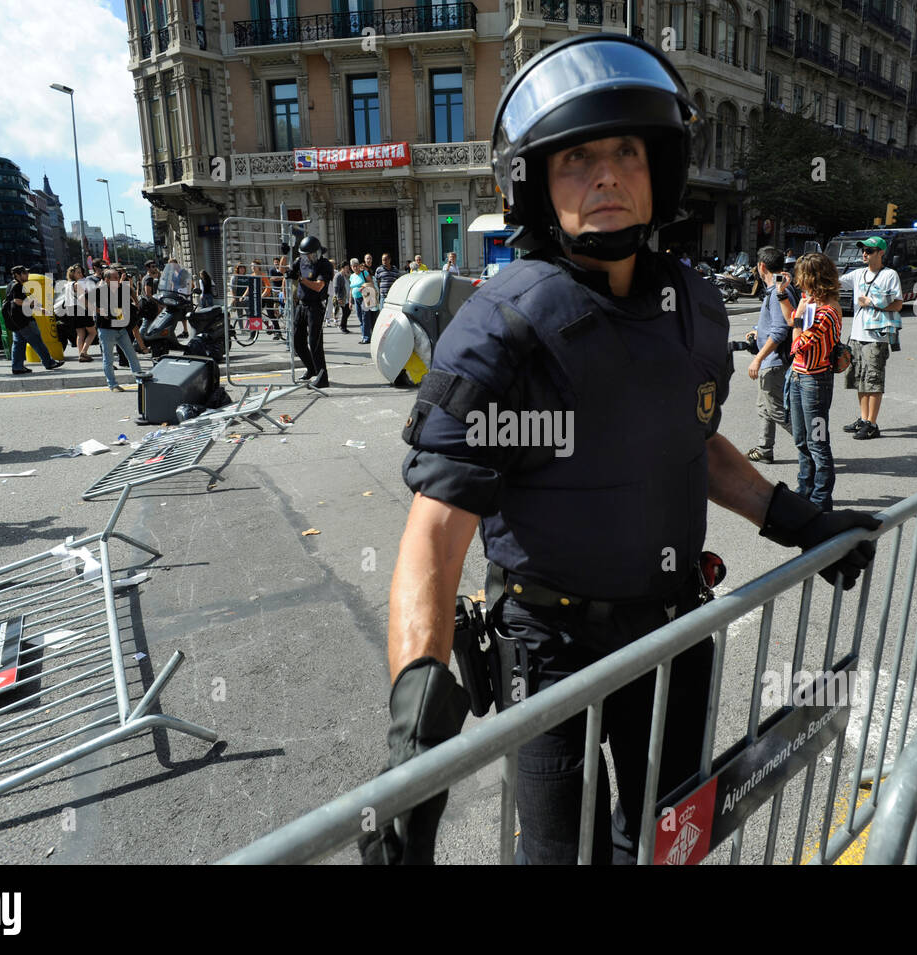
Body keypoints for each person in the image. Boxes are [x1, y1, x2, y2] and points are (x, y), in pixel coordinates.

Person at [361, 33, 881, 867]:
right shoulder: (500, 329)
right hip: (551, 655)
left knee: (667, 843)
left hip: (671, 634)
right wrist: (413, 742)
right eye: (576, 157)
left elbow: (698, 441)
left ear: (659, 169)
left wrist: (796, 519)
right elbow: (437, 529)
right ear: (536, 182)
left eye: (626, 150)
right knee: (561, 856)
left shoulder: (695, 306)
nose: (606, 173)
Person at [778, 251, 842, 510]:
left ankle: (820, 500)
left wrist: (799, 318)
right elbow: (791, 319)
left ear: (814, 278)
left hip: (815, 382)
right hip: (798, 377)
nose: (797, 281)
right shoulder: (810, 301)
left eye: (801, 276)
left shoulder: (827, 311)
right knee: (801, 440)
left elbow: (796, 344)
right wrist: (782, 295)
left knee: (818, 442)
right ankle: (804, 489)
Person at [838, 236, 901, 441]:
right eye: (863, 250)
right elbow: (835, 281)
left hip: (876, 337)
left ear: (881, 253)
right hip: (856, 335)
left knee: (873, 381)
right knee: (860, 380)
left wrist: (872, 302)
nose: (865, 253)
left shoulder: (890, 275)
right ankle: (864, 419)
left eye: (870, 250)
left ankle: (872, 424)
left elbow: (898, 305)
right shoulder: (858, 274)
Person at [745, 247, 797, 463]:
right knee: (764, 407)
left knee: (776, 410)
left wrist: (758, 358)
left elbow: (780, 330)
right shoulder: (777, 288)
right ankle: (764, 449)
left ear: (761, 266)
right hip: (773, 360)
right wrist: (759, 330)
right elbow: (777, 322)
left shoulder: (777, 291)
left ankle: (811, 446)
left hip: (774, 362)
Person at [288, 233, 334, 388]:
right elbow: (287, 271)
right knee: (296, 340)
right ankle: (311, 369)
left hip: (316, 306)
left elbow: (319, 286)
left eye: (309, 254)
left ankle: (322, 378)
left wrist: (300, 279)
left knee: (314, 342)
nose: (307, 257)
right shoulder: (300, 261)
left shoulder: (324, 264)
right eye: (305, 255)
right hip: (301, 305)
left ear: (317, 253)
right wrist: (285, 254)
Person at [5, 266, 65, 375]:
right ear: (17, 275)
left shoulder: (10, 285)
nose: (27, 275)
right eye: (24, 273)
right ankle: (49, 362)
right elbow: (18, 301)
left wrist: (38, 308)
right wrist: (33, 305)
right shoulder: (18, 286)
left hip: (15, 321)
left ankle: (17, 367)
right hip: (23, 320)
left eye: (27, 273)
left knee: (18, 343)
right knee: (37, 340)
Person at [95, 268, 144, 392]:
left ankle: (140, 380)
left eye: (118, 277)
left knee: (132, 355)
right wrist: (99, 310)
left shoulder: (122, 288)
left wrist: (136, 302)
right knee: (109, 358)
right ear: (107, 280)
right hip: (106, 330)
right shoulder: (101, 290)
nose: (118, 280)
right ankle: (112, 384)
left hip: (121, 329)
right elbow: (82, 298)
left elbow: (132, 291)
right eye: (115, 278)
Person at [74, 263, 100, 360]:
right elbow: (83, 298)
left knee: (80, 334)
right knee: (92, 332)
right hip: (84, 309)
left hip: (75, 310)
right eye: (78, 272)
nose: (80, 274)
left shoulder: (70, 284)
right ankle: (84, 352)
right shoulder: (81, 283)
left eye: (81, 272)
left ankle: (81, 354)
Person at [332, 261, 353, 332]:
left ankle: (343, 326)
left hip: (346, 297)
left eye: (348, 268)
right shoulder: (338, 276)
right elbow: (336, 287)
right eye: (346, 268)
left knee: (347, 311)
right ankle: (342, 326)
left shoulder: (346, 275)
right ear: (342, 268)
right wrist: (338, 298)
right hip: (341, 297)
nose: (348, 269)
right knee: (346, 311)